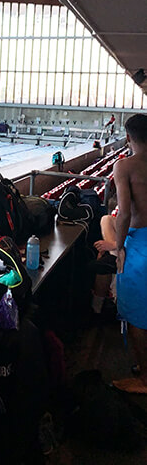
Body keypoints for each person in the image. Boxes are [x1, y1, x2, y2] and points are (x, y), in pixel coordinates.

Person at [98, 114, 147, 393]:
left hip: (141, 245)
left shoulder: (124, 166)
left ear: (128, 137)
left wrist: (119, 248)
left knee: (138, 315)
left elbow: (125, 211)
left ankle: (145, 381)